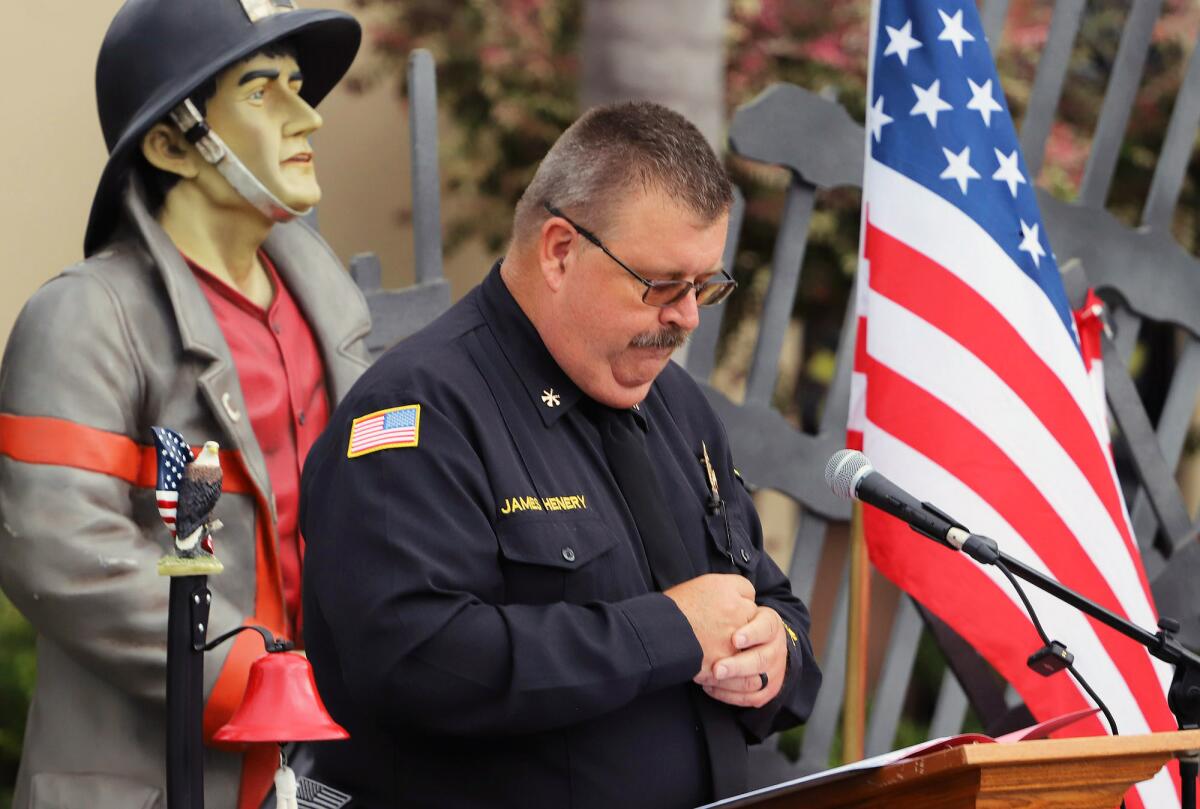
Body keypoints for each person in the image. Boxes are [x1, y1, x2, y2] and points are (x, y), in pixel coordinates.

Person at [300, 101, 822, 809]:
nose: (688, 316)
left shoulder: (681, 409)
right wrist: (668, 631)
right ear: (559, 251)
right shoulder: (419, 413)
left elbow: (769, 597)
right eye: (663, 284)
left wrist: (774, 655)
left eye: (705, 286)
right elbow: (414, 658)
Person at [0, 1, 371, 807]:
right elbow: (59, 545)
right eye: (262, 92)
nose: (307, 116)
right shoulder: (87, 318)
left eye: (300, 87)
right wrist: (249, 678)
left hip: (330, 766)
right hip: (154, 779)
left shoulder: (335, 315)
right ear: (173, 142)